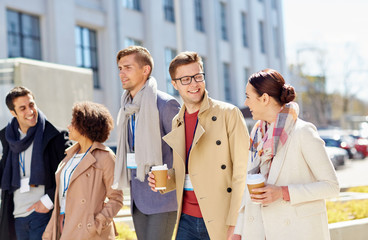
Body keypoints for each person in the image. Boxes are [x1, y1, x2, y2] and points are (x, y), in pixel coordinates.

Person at [148, 51, 250, 240]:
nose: (194, 84)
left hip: (220, 217)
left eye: (197, 76)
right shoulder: (177, 121)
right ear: (175, 84)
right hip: (185, 219)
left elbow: (242, 174)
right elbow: (187, 171)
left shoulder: (229, 114)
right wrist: (165, 181)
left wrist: (236, 223)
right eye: (185, 79)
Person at [232, 69, 340, 240]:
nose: (246, 102)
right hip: (258, 231)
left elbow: (331, 186)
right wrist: (238, 231)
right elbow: (249, 190)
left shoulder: (302, 132)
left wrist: (283, 192)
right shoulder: (256, 135)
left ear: (265, 98)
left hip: (296, 232)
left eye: (248, 96)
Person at [112, 46, 180, 240]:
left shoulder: (165, 104)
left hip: (163, 198)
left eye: (127, 67)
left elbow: (183, 150)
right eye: (119, 68)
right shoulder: (127, 107)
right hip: (137, 198)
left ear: (145, 70)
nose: (121, 73)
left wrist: (170, 178)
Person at [43, 101, 123, 240]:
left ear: (84, 126)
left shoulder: (106, 157)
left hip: (88, 231)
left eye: (73, 123)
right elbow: (61, 196)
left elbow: (116, 198)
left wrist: (96, 224)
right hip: (63, 223)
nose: (68, 126)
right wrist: (50, 231)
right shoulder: (69, 156)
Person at [0, 86, 70, 240]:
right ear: (13, 113)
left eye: (31, 105)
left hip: (44, 214)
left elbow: (69, 172)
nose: (30, 111)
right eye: (23, 108)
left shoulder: (55, 136)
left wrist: (49, 201)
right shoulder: (8, 138)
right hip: (16, 216)